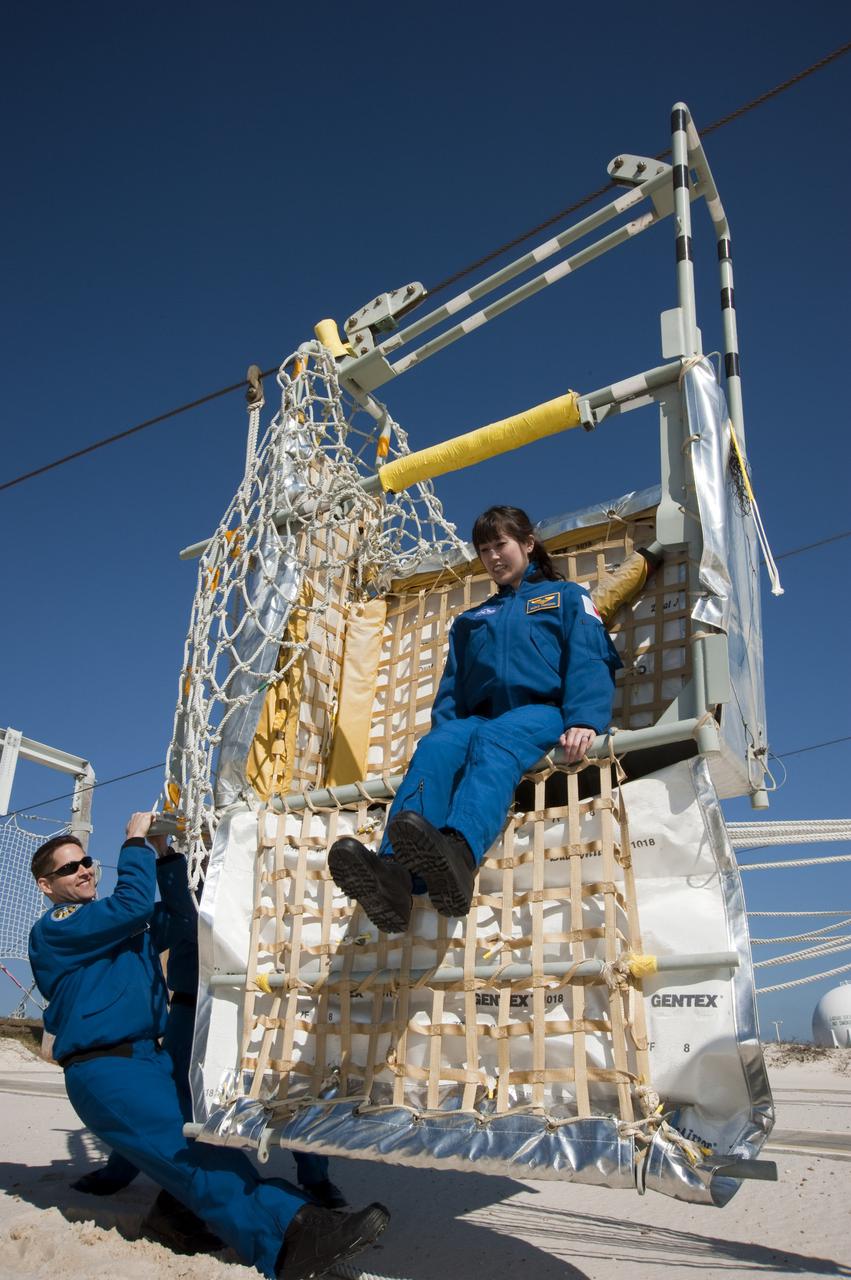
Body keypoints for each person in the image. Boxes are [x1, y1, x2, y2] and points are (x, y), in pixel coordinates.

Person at [28, 813, 389, 1279]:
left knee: (204, 1148)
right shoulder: (58, 927)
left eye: (87, 863)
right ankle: (286, 1239)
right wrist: (135, 842)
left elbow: (181, 921)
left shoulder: (109, 926)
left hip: (143, 1060)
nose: (83, 871)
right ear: (45, 885)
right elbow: (133, 906)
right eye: (69, 868)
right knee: (194, 1158)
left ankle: (195, 1220)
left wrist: (166, 856)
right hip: (105, 1069)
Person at [329, 504, 621, 934]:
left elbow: (590, 657)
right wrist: (448, 733)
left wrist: (586, 718)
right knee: (436, 746)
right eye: (484, 550)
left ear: (527, 543)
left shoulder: (567, 598)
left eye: (501, 544)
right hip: (481, 716)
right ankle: (392, 873)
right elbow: (453, 688)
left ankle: (459, 856)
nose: (493, 557)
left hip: (543, 711)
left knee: (494, 740)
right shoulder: (471, 620)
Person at [72, 841, 345, 1214]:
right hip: (192, 1004)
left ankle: (316, 1177)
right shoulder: (195, 875)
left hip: (263, 1000)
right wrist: (169, 858)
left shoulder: (280, 876)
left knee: (286, 1085)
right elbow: (184, 916)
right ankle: (119, 1170)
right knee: (163, 1092)